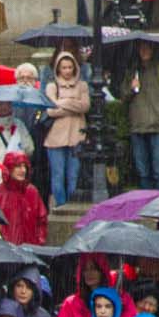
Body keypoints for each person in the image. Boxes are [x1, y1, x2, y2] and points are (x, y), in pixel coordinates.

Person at [126, 40, 159, 190]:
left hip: (158, 126)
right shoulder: (132, 71)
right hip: (138, 126)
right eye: (141, 48)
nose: (144, 51)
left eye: (147, 48)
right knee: (143, 172)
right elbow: (123, 96)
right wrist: (131, 88)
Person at [42, 51, 91, 206]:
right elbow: (50, 110)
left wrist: (62, 102)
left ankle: (72, 204)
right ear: (58, 69)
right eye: (64, 68)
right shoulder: (52, 86)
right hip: (55, 138)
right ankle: (61, 206)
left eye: (70, 67)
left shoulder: (82, 85)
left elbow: (85, 106)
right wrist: (73, 104)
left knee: (73, 175)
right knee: (58, 175)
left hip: (77, 136)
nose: (67, 71)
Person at [0, 152, 48, 246]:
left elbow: (42, 220)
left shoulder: (32, 192)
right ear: (8, 168)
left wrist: (39, 242)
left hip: (29, 251)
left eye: (24, 166)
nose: (23, 170)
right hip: (4, 252)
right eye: (18, 166)